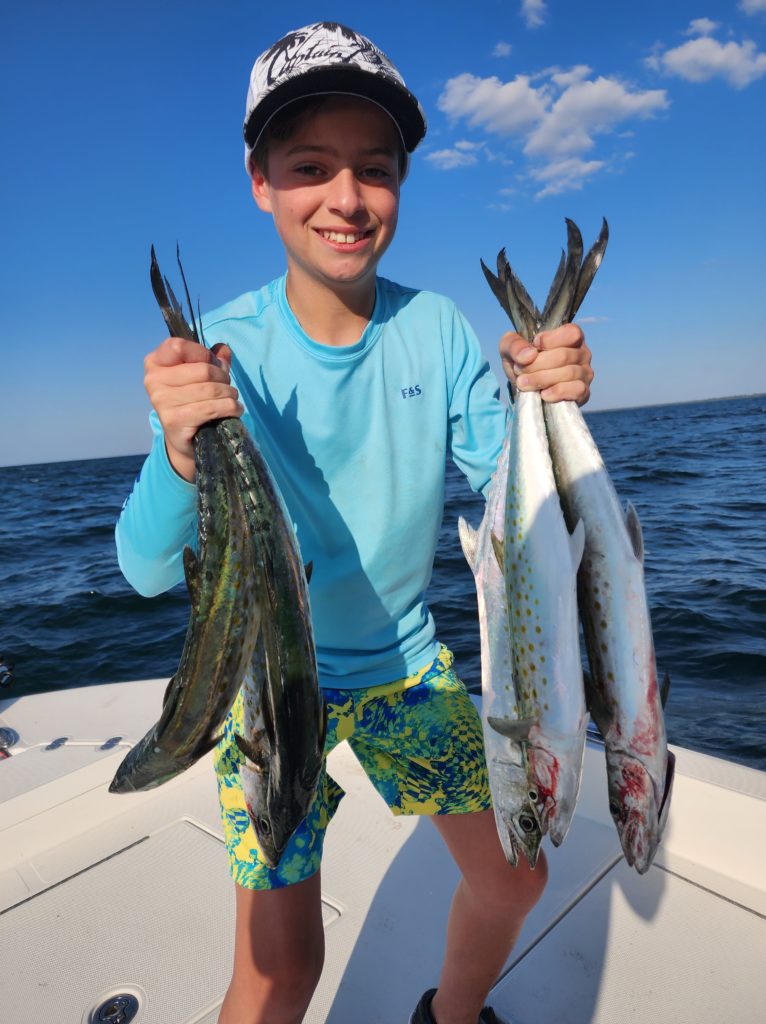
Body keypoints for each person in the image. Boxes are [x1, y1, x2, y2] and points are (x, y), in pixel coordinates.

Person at [116, 22, 594, 1024]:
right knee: (279, 971)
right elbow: (148, 569)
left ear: (402, 183)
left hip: (405, 669)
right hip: (269, 684)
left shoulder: (435, 331)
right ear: (260, 181)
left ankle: (449, 1016)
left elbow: (511, 491)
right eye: (309, 166)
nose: (345, 196)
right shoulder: (219, 356)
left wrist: (543, 404)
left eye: (373, 169)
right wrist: (178, 449)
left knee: (516, 879)